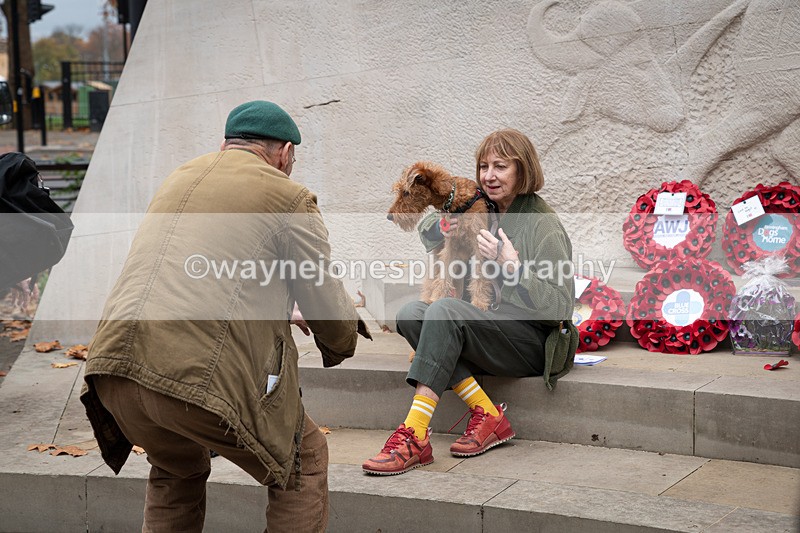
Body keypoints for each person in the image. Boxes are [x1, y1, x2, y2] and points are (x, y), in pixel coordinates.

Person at [81, 100, 370, 532]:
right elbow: (326, 306)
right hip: (190, 373)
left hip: (112, 370)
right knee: (304, 459)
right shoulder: (288, 196)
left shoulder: (178, 178)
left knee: (175, 468)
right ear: (286, 153)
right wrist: (342, 332)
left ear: (225, 145)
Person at [362, 128, 578, 475]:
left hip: (531, 340)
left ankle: (414, 435)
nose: (489, 176)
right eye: (483, 166)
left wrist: (515, 268)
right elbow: (432, 215)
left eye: (501, 167)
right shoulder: (485, 204)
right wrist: (441, 228)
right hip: (488, 324)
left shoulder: (542, 224)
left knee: (443, 309)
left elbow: (560, 308)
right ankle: (488, 412)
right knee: (410, 314)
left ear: (522, 170)